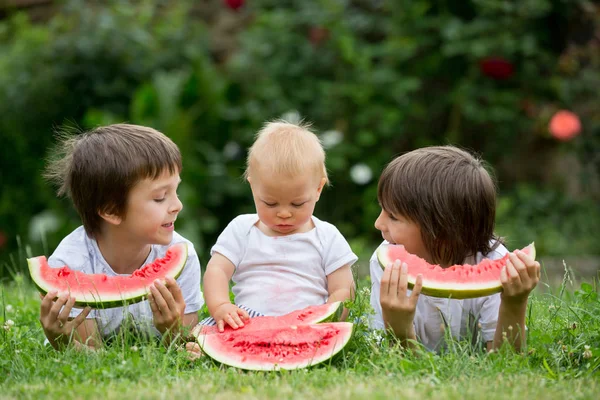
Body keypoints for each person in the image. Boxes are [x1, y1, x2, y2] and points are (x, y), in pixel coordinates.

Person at [40, 124, 203, 350]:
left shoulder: (182, 255)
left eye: (176, 191)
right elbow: (93, 355)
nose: (177, 205)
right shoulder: (72, 264)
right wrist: (63, 343)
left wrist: (173, 331)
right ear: (111, 210)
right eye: (160, 197)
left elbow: (184, 349)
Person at [369, 146, 540, 352]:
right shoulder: (387, 262)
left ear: (441, 231)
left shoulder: (494, 263)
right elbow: (393, 363)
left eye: (393, 217)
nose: (378, 223)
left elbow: (507, 360)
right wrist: (399, 328)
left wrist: (514, 303)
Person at [202, 120, 357, 332]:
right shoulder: (241, 229)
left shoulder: (327, 236)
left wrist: (325, 319)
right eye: (270, 203)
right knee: (202, 333)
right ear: (252, 186)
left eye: (297, 203)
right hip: (248, 321)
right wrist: (221, 305)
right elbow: (217, 270)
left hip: (306, 323)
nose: (284, 213)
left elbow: (342, 289)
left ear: (318, 189)